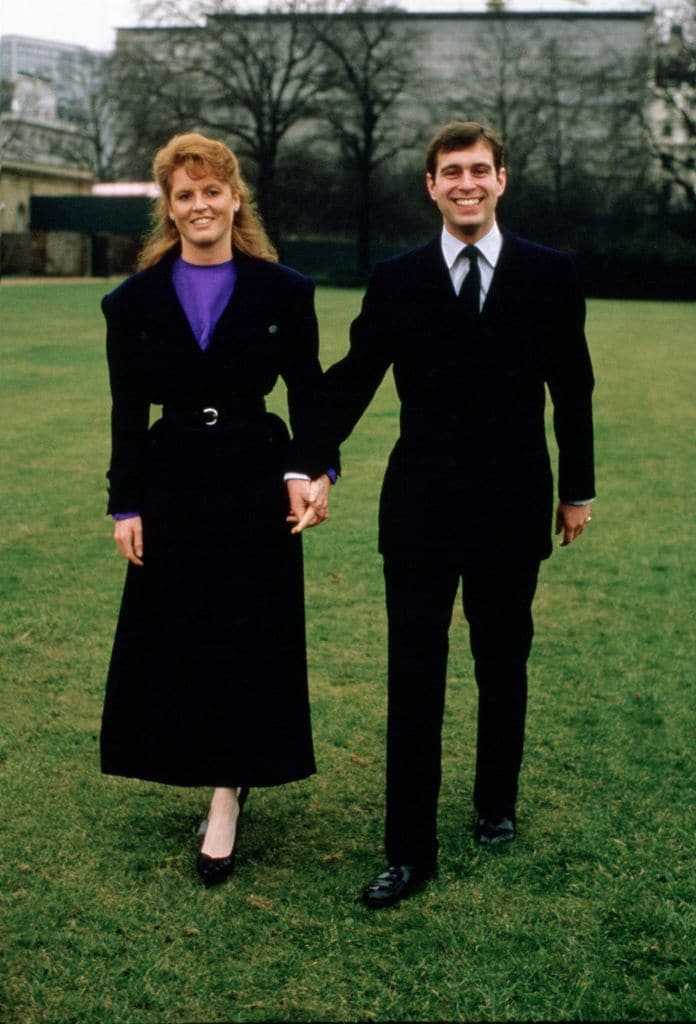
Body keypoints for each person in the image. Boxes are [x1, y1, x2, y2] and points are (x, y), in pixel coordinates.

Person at [294, 121, 595, 908]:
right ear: (430, 186)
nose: (466, 183)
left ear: (502, 180)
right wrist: (309, 457)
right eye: (450, 172)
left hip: (512, 504)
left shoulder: (550, 274)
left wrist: (578, 489)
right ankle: (407, 849)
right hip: (421, 509)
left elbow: (574, 388)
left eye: (479, 171)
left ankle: (495, 802)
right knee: (414, 678)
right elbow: (355, 377)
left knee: (503, 664)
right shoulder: (398, 279)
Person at [101, 132, 334, 886]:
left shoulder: (284, 291)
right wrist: (124, 504)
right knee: (183, 635)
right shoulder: (131, 302)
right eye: (184, 195)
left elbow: (309, 394)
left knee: (246, 633)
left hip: (253, 480)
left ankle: (228, 795)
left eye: (211, 191)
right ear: (170, 212)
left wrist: (314, 468)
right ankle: (204, 765)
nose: (200, 205)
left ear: (235, 198)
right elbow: (127, 409)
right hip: (172, 484)